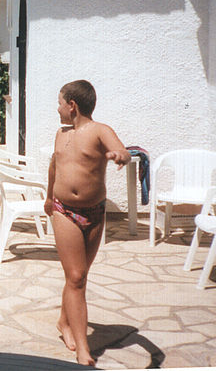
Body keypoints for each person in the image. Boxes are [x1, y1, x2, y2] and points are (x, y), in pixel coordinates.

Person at [45, 80, 131, 366]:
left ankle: (63, 321)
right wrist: (48, 197)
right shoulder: (60, 134)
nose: (57, 108)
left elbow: (122, 150)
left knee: (76, 277)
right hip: (64, 211)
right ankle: (84, 349)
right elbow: (54, 166)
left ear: (72, 105)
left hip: (94, 213)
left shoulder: (100, 130)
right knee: (77, 277)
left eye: (59, 102)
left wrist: (120, 155)